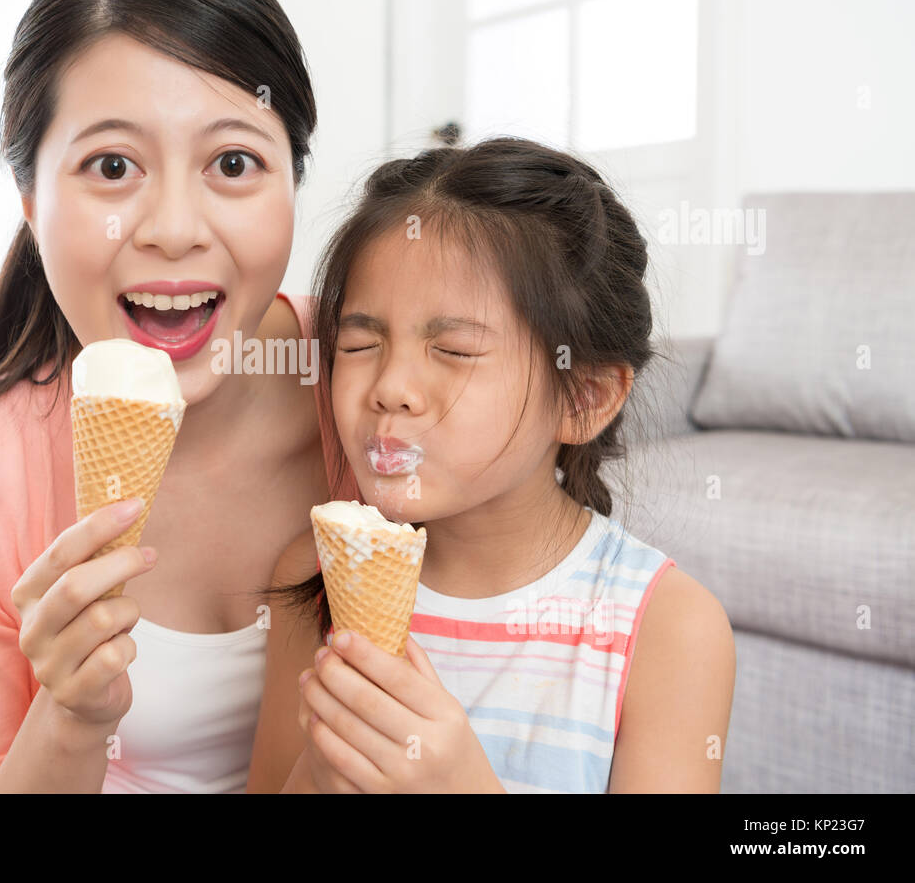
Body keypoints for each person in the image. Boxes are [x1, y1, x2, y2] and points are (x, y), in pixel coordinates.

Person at [0, 0, 357, 793]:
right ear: (32, 205)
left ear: (294, 183)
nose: (174, 228)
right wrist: (69, 717)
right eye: (111, 167)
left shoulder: (377, 385)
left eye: (234, 163)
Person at [247, 137, 737, 793]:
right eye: (360, 342)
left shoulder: (668, 629)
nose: (390, 385)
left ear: (583, 398)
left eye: (451, 349)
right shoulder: (314, 577)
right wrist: (324, 766)